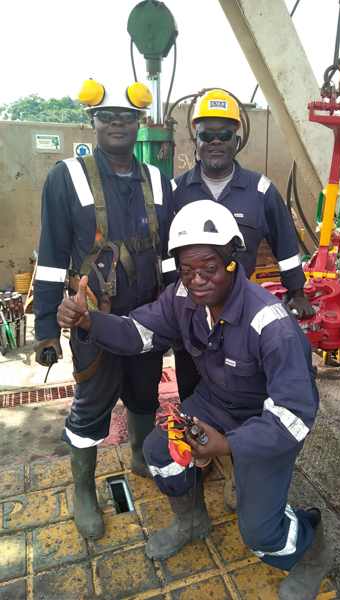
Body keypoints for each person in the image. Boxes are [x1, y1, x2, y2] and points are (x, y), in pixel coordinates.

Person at [57, 200, 333, 600]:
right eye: (187, 271)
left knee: (261, 535)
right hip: (215, 403)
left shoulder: (273, 327)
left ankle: (312, 551)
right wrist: (89, 321)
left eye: (209, 268)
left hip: (267, 423)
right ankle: (192, 522)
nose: (197, 280)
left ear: (232, 262)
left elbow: (294, 417)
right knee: (160, 452)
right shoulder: (181, 298)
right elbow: (139, 334)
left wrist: (228, 445)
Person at [33, 79, 174, 540]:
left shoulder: (158, 181)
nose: (117, 123)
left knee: (145, 393)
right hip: (92, 318)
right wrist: (46, 328)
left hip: (148, 317)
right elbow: (51, 257)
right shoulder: (67, 177)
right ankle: (84, 492)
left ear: (139, 123)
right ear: (92, 121)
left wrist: (178, 309)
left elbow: (168, 254)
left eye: (127, 117)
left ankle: (140, 456)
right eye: (107, 115)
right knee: (92, 403)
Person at [172, 89, 315, 509]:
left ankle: (237, 460)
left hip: (240, 318)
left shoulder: (261, 190)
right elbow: (167, 257)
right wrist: (171, 307)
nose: (215, 141)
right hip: (192, 315)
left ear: (238, 139)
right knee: (193, 387)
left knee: (245, 393)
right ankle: (201, 456)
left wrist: (297, 290)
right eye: (207, 134)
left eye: (225, 134)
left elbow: (285, 242)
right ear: (195, 139)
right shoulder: (176, 190)